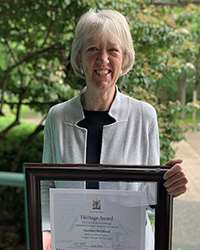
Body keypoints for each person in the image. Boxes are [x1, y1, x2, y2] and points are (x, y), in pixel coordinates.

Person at [41, 9, 188, 250]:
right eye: (92, 49)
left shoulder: (144, 116)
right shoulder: (58, 117)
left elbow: (149, 197)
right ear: (79, 57)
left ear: (125, 58)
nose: (103, 59)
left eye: (113, 50)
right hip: (71, 244)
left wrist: (169, 185)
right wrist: (46, 233)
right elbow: (46, 186)